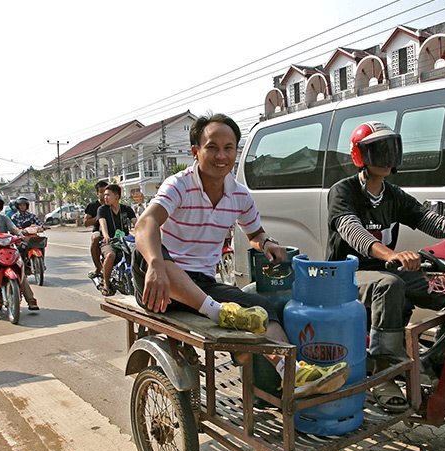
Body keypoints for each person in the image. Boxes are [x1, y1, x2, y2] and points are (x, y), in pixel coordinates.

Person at [133, 112, 344, 385]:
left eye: (228, 148)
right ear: (195, 151)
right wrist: (155, 265)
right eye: (212, 148)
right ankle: (219, 313)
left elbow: (254, 232)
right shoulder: (179, 185)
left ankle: (292, 374)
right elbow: (145, 223)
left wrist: (267, 243)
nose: (221, 156)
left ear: (236, 151)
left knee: (264, 308)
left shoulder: (240, 195)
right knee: (148, 250)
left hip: (201, 287)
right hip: (158, 284)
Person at [326, 121, 445, 412]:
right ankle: (384, 372)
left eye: (391, 150)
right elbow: (352, 231)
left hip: (387, 269)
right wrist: (390, 255)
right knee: (390, 284)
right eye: (378, 151)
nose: (387, 158)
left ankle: (430, 365)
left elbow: (428, 219)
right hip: (346, 275)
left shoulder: (393, 194)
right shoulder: (343, 191)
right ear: (361, 156)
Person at [96, 184, 136, 296]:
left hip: (125, 240)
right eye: (104, 195)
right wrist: (106, 236)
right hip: (110, 241)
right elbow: (102, 224)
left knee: (139, 253)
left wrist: (142, 233)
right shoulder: (102, 209)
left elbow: (136, 223)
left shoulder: (127, 209)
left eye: (108, 195)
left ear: (117, 196)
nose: (105, 198)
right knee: (110, 255)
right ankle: (106, 284)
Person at [83, 180, 109, 280]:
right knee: (96, 238)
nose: (104, 195)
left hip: (113, 230)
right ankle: (98, 267)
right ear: (97, 193)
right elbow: (86, 223)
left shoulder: (112, 204)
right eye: (101, 192)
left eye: (106, 192)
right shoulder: (92, 206)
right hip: (98, 230)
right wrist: (98, 217)